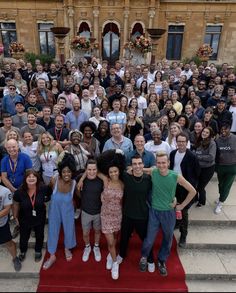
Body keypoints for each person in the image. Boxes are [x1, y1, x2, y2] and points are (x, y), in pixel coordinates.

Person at [139, 152, 196, 276]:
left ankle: (161, 260)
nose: (161, 165)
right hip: (154, 212)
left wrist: (181, 205)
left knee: (168, 238)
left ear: (168, 163)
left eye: (163, 162)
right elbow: (140, 168)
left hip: (168, 213)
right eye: (158, 162)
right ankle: (144, 256)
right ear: (156, 163)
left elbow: (193, 191)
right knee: (149, 239)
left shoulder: (175, 176)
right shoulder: (153, 172)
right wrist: (131, 168)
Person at [117, 154, 155, 272]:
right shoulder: (125, 176)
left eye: (139, 163)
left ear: (143, 164)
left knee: (146, 239)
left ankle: (150, 258)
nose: (137, 166)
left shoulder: (148, 179)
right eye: (134, 164)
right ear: (131, 165)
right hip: (128, 213)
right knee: (124, 237)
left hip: (142, 214)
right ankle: (122, 254)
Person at [43, 153, 78, 270]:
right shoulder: (54, 180)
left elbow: (79, 196)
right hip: (54, 211)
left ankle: (67, 248)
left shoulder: (74, 184)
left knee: (69, 228)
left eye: (69, 171)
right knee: (53, 230)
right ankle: (52, 255)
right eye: (64, 172)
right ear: (60, 172)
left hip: (68, 210)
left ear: (72, 172)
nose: (66, 174)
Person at [96, 150, 125, 280]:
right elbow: (94, 169)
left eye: (115, 171)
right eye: (111, 171)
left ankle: (110, 255)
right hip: (106, 215)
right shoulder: (106, 180)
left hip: (118, 215)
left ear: (119, 171)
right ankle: (115, 263)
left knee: (115, 239)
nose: (113, 173)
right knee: (111, 243)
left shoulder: (123, 184)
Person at [13, 170, 52, 262]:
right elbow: (16, 203)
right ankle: (22, 251)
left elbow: (49, 194)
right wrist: (15, 216)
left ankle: (38, 251)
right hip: (24, 218)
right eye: (29, 177)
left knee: (39, 235)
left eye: (33, 176)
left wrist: (45, 200)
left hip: (39, 217)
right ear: (25, 179)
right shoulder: (19, 191)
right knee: (24, 236)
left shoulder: (43, 188)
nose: (31, 178)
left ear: (37, 178)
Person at [169, 132, 200, 248]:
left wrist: (191, 185)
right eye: (179, 141)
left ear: (187, 143)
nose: (181, 143)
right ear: (176, 142)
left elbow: (197, 173)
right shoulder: (172, 153)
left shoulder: (192, 156)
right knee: (174, 207)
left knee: (184, 210)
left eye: (183, 141)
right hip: (173, 185)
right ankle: (176, 223)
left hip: (185, 187)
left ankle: (183, 235)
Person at [77, 160, 104, 263]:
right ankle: (87, 247)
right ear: (86, 170)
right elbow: (77, 192)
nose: (91, 172)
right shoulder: (81, 179)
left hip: (98, 212)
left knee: (97, 231)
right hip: (86, 212)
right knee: (85, 233)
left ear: (97, 170)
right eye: (89, 169)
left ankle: (96, 246)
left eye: (94, 169)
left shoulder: (101, 180)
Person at [0, 178, 22, 271]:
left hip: (1, 224)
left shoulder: (5, 191)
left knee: (8, 242)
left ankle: (15, 258)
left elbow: (7, 209)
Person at [214, 123, 236, 214]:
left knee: (227, 185)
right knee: (221, 184)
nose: (223, 131)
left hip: (232, 166)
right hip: (220, 166)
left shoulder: (234, 138)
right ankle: (221, 197)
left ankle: (221, 202)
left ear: (230, 129)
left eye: (225, 129)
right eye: (222, 129)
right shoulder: (217, 140)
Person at [195, 127, 216, 207]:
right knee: (196, 184)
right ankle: (195, 198)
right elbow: (196, 151)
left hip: (208, 169)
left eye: (207, 132)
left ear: (210, 134)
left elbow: (211, 157)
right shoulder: (200, 140)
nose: (204, 133)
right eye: (204, 131)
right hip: (198, 167)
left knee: (201, 187)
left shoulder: (212, 143)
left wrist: (198, 157)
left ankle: (202, 201)